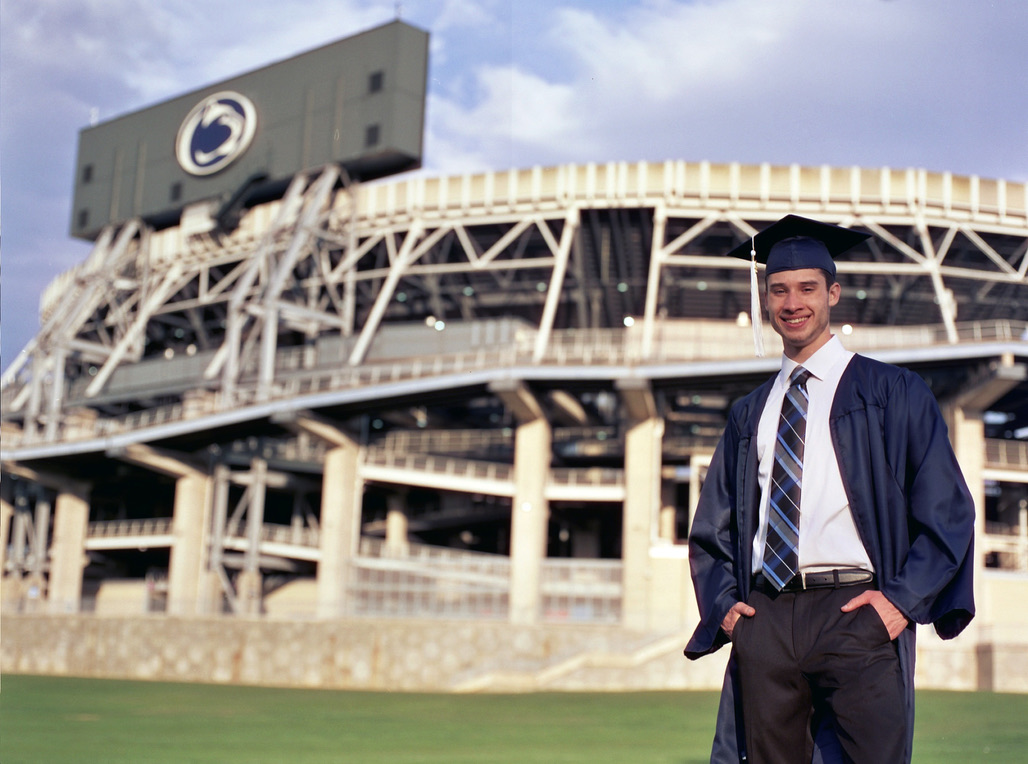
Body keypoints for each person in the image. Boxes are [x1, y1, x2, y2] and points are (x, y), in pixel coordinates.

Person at [684, 215, 976, 764]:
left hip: (857, 614)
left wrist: (900, 604)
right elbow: (711, 529)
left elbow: (948, 510)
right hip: (767, 618)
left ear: (833, 294)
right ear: (766, 300)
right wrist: (726, 609)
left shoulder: (892, 392)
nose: (793, 302)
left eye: (808, 288)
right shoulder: (750, 413)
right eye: (779, 290)